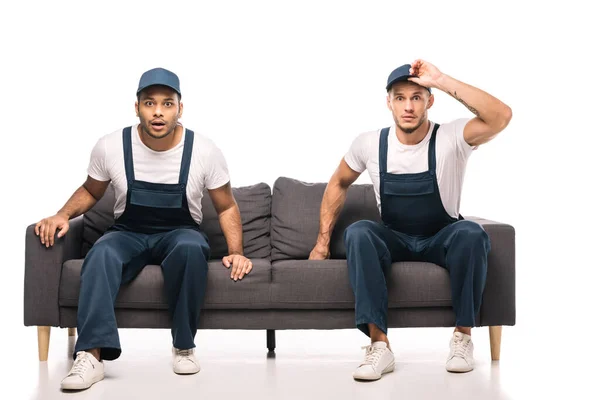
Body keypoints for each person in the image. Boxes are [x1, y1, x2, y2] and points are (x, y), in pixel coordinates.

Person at [34, 67, 253, 391]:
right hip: (128, 231)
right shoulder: (110, 146)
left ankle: (184, 346)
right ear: (137, 107)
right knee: (101, 254)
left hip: (180, 232)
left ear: (180, 108)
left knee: (192, 249)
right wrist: (62, 214)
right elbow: (92, 190)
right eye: (150, 103)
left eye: (167, 103)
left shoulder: (205, 151)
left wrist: (237, 253)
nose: (159, 112)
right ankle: (91, 356)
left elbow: (226, 206)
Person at [309, 59, 512, 380]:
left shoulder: (452, 137)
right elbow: (338, 182)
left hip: (441, 237)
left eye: (417, 97)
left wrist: (441, 79)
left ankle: (462, 337)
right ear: (388, 102)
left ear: (430, 101)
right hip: (395, 238)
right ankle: (380, 346)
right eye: (400, 97)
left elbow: (501, 117)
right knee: (359, 232)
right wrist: (321, 243)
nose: (408, 106)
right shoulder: (369, 143)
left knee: (472, 233)